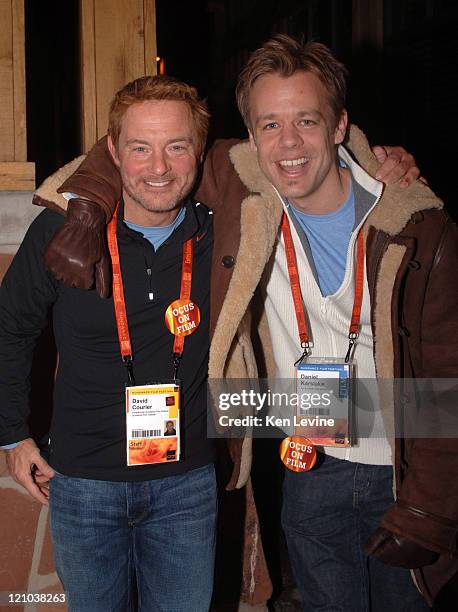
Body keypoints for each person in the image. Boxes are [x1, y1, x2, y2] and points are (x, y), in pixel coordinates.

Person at [20, 37, 436, 610]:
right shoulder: (234, 196)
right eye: (269, 125)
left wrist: (430, 498)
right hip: (293, 459)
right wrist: (87, 207)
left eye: (306, 121)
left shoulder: (395, 221)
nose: (287, 144)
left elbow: (445, 372)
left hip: (371, 462)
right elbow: (136, 148)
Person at [0, 75, 220, 612]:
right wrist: (11, 435)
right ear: (113, 153)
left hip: (187, 484)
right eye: (140, 148)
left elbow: (296, 153)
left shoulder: (226, 233)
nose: (159, 167)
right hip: (82, 483)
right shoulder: (62, 232)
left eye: (176, 146)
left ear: (199, 150)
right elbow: (9, 328)